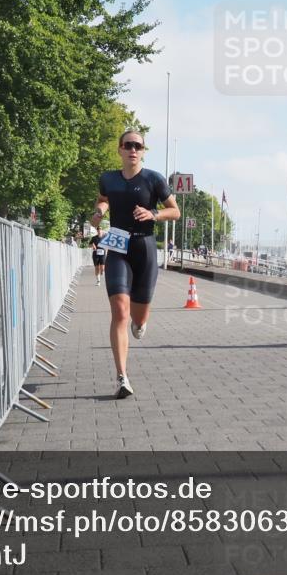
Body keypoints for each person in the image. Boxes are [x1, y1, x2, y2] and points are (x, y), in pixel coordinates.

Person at [90, 130, 180, 398]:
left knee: (138, 319)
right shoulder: (108, 179)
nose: (133, 149)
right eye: (128, 145)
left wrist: (154, 213)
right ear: (119, 149)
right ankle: (122, 377)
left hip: (145, 248)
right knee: (120, 310)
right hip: (118, 245)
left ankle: (139, 324)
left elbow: (175, 211)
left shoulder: (154, 179)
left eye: (138, 146)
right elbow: (103, 200)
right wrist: (99, 212)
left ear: (143, 151)